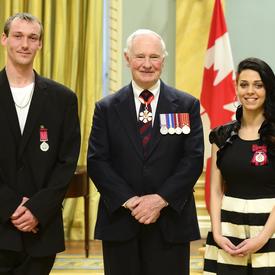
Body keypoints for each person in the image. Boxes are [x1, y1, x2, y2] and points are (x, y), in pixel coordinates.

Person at [87, 29, 204, 275]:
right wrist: (132, 202)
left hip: (170, 221)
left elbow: (192, 160)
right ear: (128, 59)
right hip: (121, 221)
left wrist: (159, 200)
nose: (147, 64)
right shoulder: (106, 108)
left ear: (164, 60)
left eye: (155, 57)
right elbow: (98, 161)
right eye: (140, 57)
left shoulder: (186, 105)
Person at [0, 13, 80, 275]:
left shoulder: (63, 98)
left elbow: (66, 163)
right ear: (4, 39)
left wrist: (35, 209)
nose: (25, 44)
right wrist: (11, 205)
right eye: (18, 36)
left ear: (40, 44)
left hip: (41, 229)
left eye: (32, 38)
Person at [203, 57, 275, 274]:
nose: (250, 91)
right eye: (244, 84)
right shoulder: (221, 135)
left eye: (258, 85)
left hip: (270, 229)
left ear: (268, 89)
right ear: (236, 88)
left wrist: (262, 237)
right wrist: (217, 233)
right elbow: (216, 190)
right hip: (228, 230)